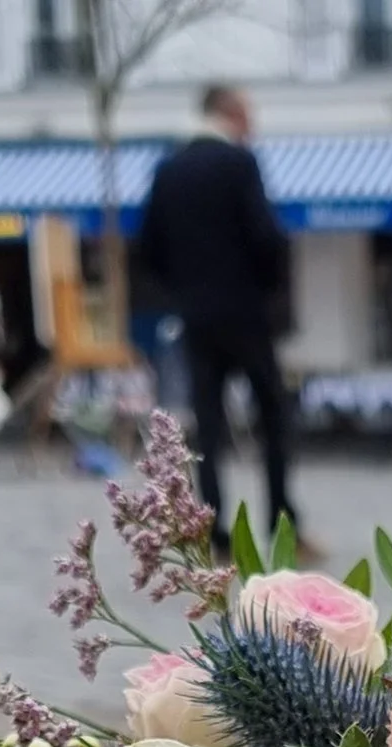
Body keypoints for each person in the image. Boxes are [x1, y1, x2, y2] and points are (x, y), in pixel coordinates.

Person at [138, 82, 295, 551]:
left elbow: (149, 246)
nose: (253, 125)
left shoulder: (168, 169)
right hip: (245, 312)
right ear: (229, 114)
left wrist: (184, 292)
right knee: (272, 414)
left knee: (207, 425)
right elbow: (265, 236)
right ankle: (280, 520)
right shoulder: (239, 164)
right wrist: (267, 290)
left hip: (196, 316)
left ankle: (213, 525)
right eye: (248, 114)